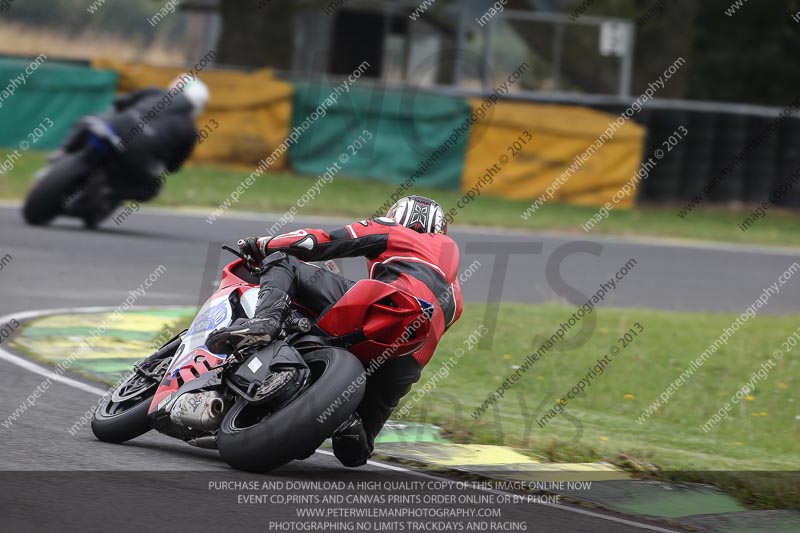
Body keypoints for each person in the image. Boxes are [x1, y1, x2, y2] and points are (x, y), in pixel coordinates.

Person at [207, 195, 464, 467]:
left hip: (382, 306)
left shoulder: (394, 230)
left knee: (283, 261)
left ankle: (266, 320)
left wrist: (262, 245)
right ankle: (346, 422)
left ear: (397, 216)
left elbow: (314, 242)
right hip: (407, 359)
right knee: (355, 451)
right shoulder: (456, 293)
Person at [61, 74, 209, 223]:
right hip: (138, 156)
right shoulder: (190, 129)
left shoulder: (153, 92)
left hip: (116, 129)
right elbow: (174, 165)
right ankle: (109, 194)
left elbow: (120, 102)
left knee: (89, 121)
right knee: (152, 187)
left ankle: (63, 153)